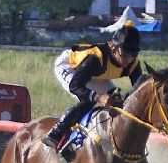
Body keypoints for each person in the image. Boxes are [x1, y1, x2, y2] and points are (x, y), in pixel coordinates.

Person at [42, 21, 143, 149]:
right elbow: (75, 86)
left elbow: (139, 92)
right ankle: (56, 133)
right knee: (88, 101)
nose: (127, 60)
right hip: (70, 67)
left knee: (117, 102)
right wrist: (98, 97)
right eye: (124, 55)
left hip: (94, 75)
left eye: (133, 55)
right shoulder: (95, 58)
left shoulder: (133, 64)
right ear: (113, 47)